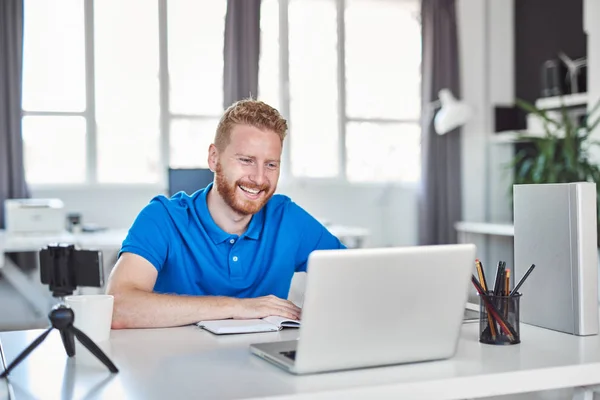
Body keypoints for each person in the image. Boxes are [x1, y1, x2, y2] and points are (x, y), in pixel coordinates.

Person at [106, 99, 346, 329]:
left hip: (265, 367)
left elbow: (358, 279)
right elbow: (118, 308)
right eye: (246, 160)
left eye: (271, 164)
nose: (260, 178)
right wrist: (236, 307)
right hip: (177, 368)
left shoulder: (288, 218)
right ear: (214, 158)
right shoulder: (163, 218)